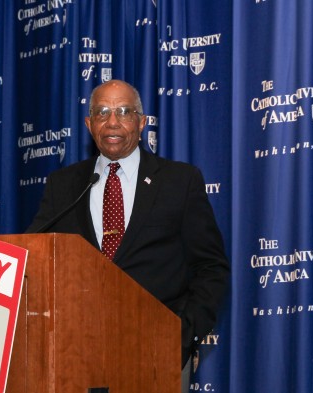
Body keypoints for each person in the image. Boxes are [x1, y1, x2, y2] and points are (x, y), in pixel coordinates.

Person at [26, 79, 229, 389]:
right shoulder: (64, 185)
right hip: (77, 355)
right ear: (88, 123)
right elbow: (36, 255)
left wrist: (182, 336)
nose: (113, 121)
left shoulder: (179, 181)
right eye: (102, 112)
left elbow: (210, 267)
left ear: (142, 121)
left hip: (156, 353)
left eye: (124, 111)